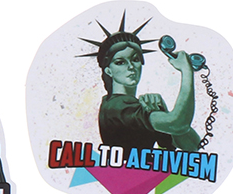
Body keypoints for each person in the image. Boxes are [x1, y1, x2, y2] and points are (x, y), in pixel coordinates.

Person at [82, 14, 202, 152]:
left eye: (135, 59)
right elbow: (178, 124)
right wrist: (187, 71)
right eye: (120, 62)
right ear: (108, 71)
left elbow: (193, 146)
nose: (131, 67)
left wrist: (162, 111)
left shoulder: (138, 107)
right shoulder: (117, 108)